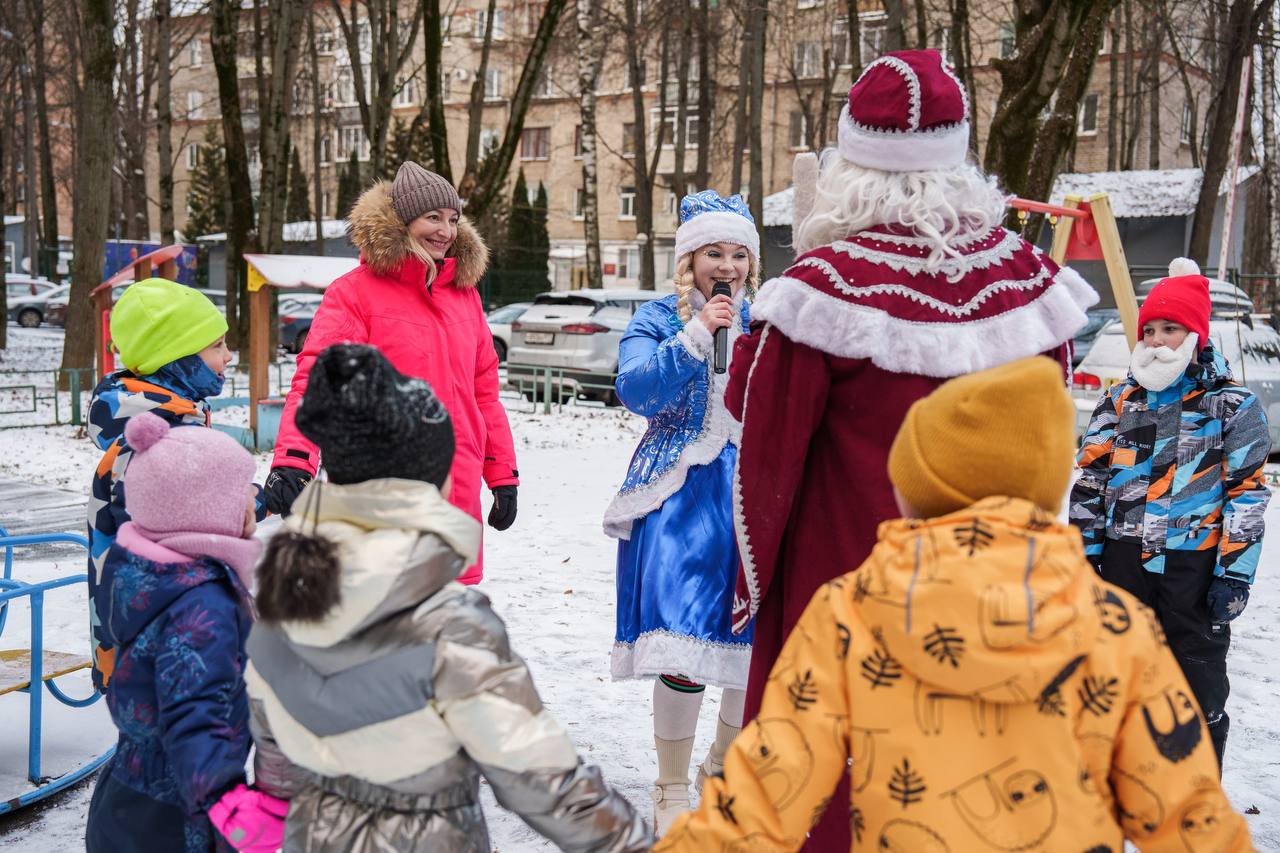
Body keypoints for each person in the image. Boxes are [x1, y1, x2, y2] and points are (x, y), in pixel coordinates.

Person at [725, 49, 1097, 849]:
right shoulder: (1028, 284)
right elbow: (1052, 444)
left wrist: (751, 582)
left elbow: (764, 452)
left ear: (851, 162)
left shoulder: (821, 290)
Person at [658, 357, 1253, 853]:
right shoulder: (1115, 627)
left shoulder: (851, 613)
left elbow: (764, 793)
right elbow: (1189, 816)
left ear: (912, 488)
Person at [245, 343, 650, 853]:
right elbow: (541, 778)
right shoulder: (448, 623)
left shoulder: (281, 602)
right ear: (428, 481)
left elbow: (275, 763)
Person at [262, 161, 518, 584]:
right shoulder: (354, 294)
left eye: (453, 219)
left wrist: (501, 472)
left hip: (456, 485)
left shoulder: (464, 297)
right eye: (432, 217)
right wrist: (294, 460)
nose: (446, 231)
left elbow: (484, 393)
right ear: (402, 221)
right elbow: (317, 381)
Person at [1071, 258, 1271, 770]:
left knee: (1196, 677)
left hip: (1194, 567)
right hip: (1123, 559)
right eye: (1150, 330)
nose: (1157, 340)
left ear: (1196, 336)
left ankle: (1195, 793)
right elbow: (1091, 481)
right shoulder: (1120, 401)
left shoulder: (1231, 405)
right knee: (1114, 673)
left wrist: (1233, 573)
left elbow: (1246, 493)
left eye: (1171, 329)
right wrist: (1082, 555)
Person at [603, 191, 759, 832]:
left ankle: (722, 766)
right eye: (714, 254)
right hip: (676, 495)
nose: (727, 267)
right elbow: (634, 389)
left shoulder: (770, 321)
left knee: (751, 641)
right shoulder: (659, 320)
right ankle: (670, 783)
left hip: (753, 493)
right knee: (682, 641)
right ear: (690, 260)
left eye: (738, 255)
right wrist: (697, 337)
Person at [85, 412, 286, 853]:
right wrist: (224, 801)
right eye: (241, 495)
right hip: (177, 814)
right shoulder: (202, 604)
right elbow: (196, 710)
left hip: (132, 791)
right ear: (203, 513)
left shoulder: (150, 573)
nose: (252, 503)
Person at [87, 276, 263, 692]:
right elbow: (177, 550)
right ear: (177, 358)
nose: (229, 355)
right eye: (217, 346)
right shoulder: (157, 445)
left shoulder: (157, 424)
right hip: (166, 647)